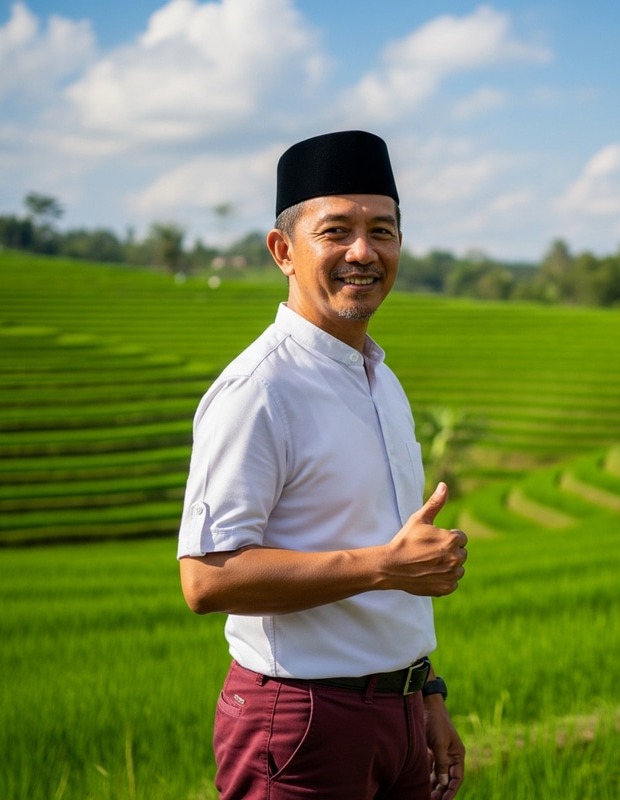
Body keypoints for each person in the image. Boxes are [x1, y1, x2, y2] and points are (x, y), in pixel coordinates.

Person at [178, 130, 468, 800]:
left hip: (398, 713)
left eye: (383, 230)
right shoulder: (260, 390)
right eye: (336, 230)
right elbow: (205, 578)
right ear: (283, 250)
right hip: (302, 721)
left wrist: (424, 690)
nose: (363, 252)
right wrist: (384, 567)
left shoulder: (380, 379)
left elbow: (378, 541)